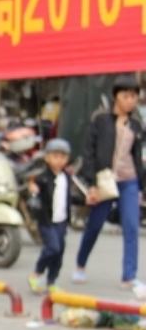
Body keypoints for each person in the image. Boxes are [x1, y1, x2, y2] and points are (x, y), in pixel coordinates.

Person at [73, 75, 144, 290]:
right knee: (95, 225)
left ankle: (129, 276)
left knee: (131, 226)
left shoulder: (137, 123)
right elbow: (89, 151)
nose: (130, 101)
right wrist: (91, 183)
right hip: (105, 180)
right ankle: (80, 265)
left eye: (134, 96)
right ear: (115, 97)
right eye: (126, 96)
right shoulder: (100, 119)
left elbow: (138, 153)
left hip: (129, 180)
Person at [28, 139, 73, 295]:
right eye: (55, 156)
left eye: (63, 157)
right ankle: (36, 273)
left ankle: (52, 281)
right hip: (46, 220)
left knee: (59, 252)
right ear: (47, 157)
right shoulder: (42, 177)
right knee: (52, 248)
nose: (59, 160)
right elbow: (33, 191)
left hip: (61, 220)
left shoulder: (66, 177)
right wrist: (33, 189)